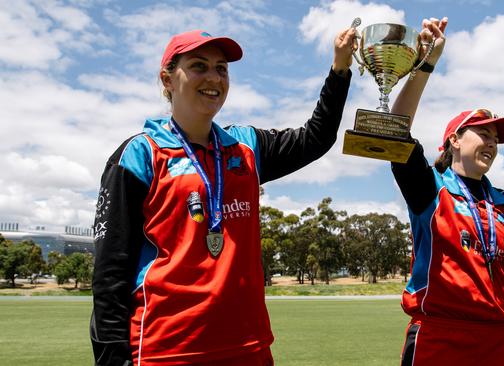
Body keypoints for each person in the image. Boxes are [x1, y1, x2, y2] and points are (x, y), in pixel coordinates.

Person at [90, 28, 356, 366]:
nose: (213, 77)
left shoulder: (245, 146)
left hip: (248, 347)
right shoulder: (141, 154)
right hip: (168, 350)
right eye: (199, 66)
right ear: (167, 79)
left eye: (221, 68)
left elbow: (316, 137)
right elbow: (110, 274)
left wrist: (340, 67)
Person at [390, 17, 504, 366]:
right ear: (454, 140)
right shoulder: (429, 188)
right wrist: (427, 63)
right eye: (482, 133)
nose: (492, 142)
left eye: (496, 138)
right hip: (439, 338)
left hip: (500, 341)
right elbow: (393, 132)